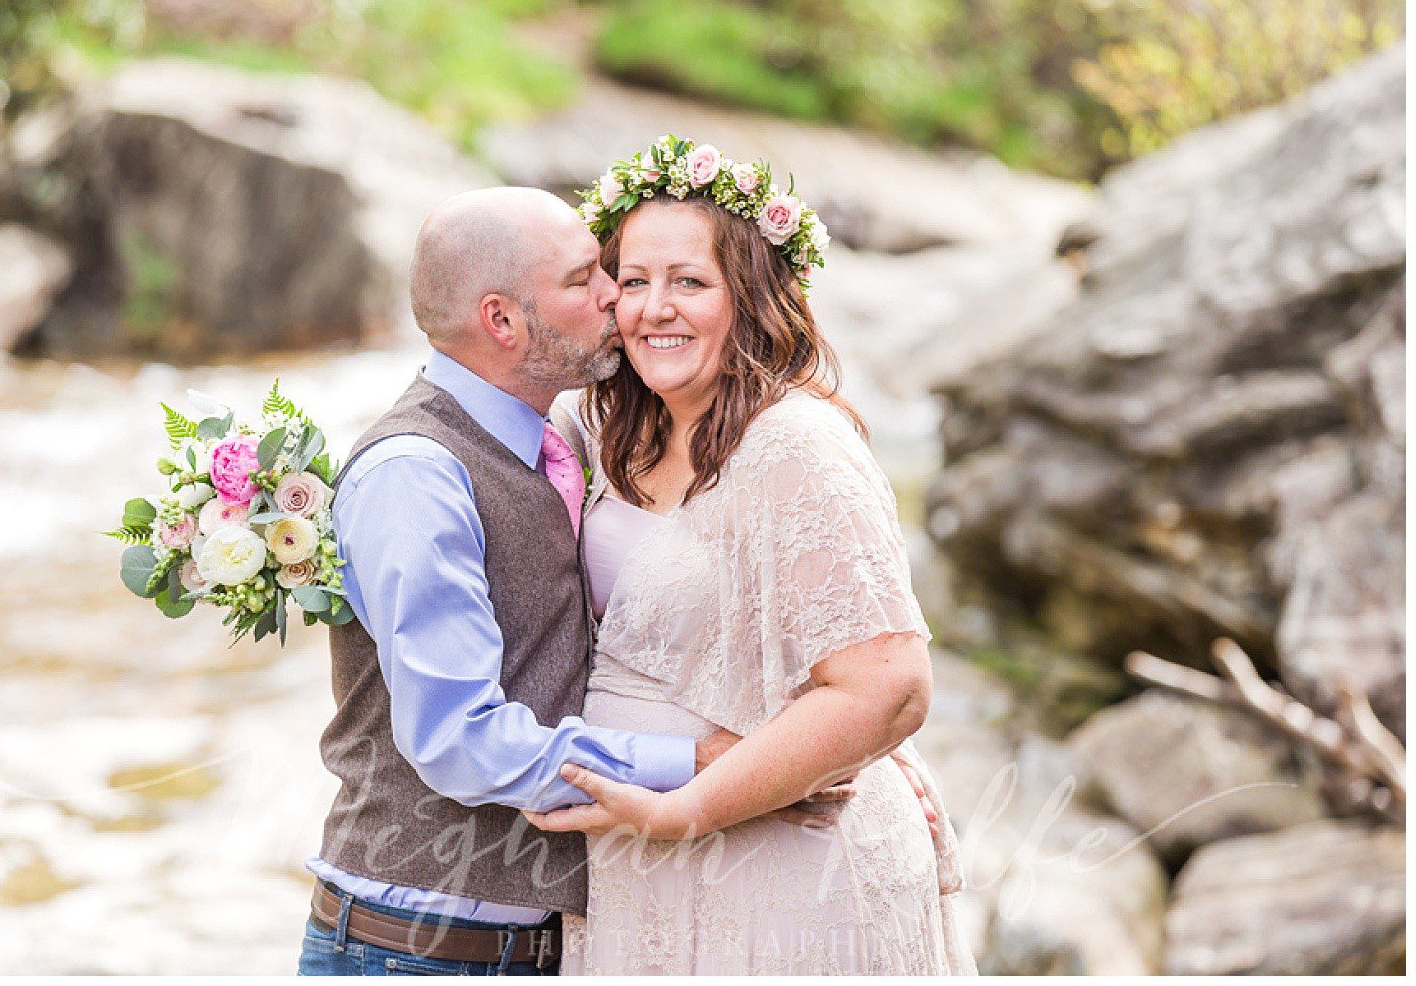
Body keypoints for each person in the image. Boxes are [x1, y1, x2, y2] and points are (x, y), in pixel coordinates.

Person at [298, 186, 851, 976]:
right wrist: (700, 763)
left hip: (539, 942)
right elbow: (457, 738)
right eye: (587, 278)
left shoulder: (560, 434)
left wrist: (863, 731)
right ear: (503, 321)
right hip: (415, 948)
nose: (615, 298)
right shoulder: (415, 476)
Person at [526, 137, 977, 974]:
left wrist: (684, 810)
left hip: (786, 877)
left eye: (690, 282)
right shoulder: (596, 427)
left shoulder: (799, 447)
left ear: (752, 297)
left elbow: (890, 686)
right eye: (633, 282)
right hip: (638, 867)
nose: (654, 309)